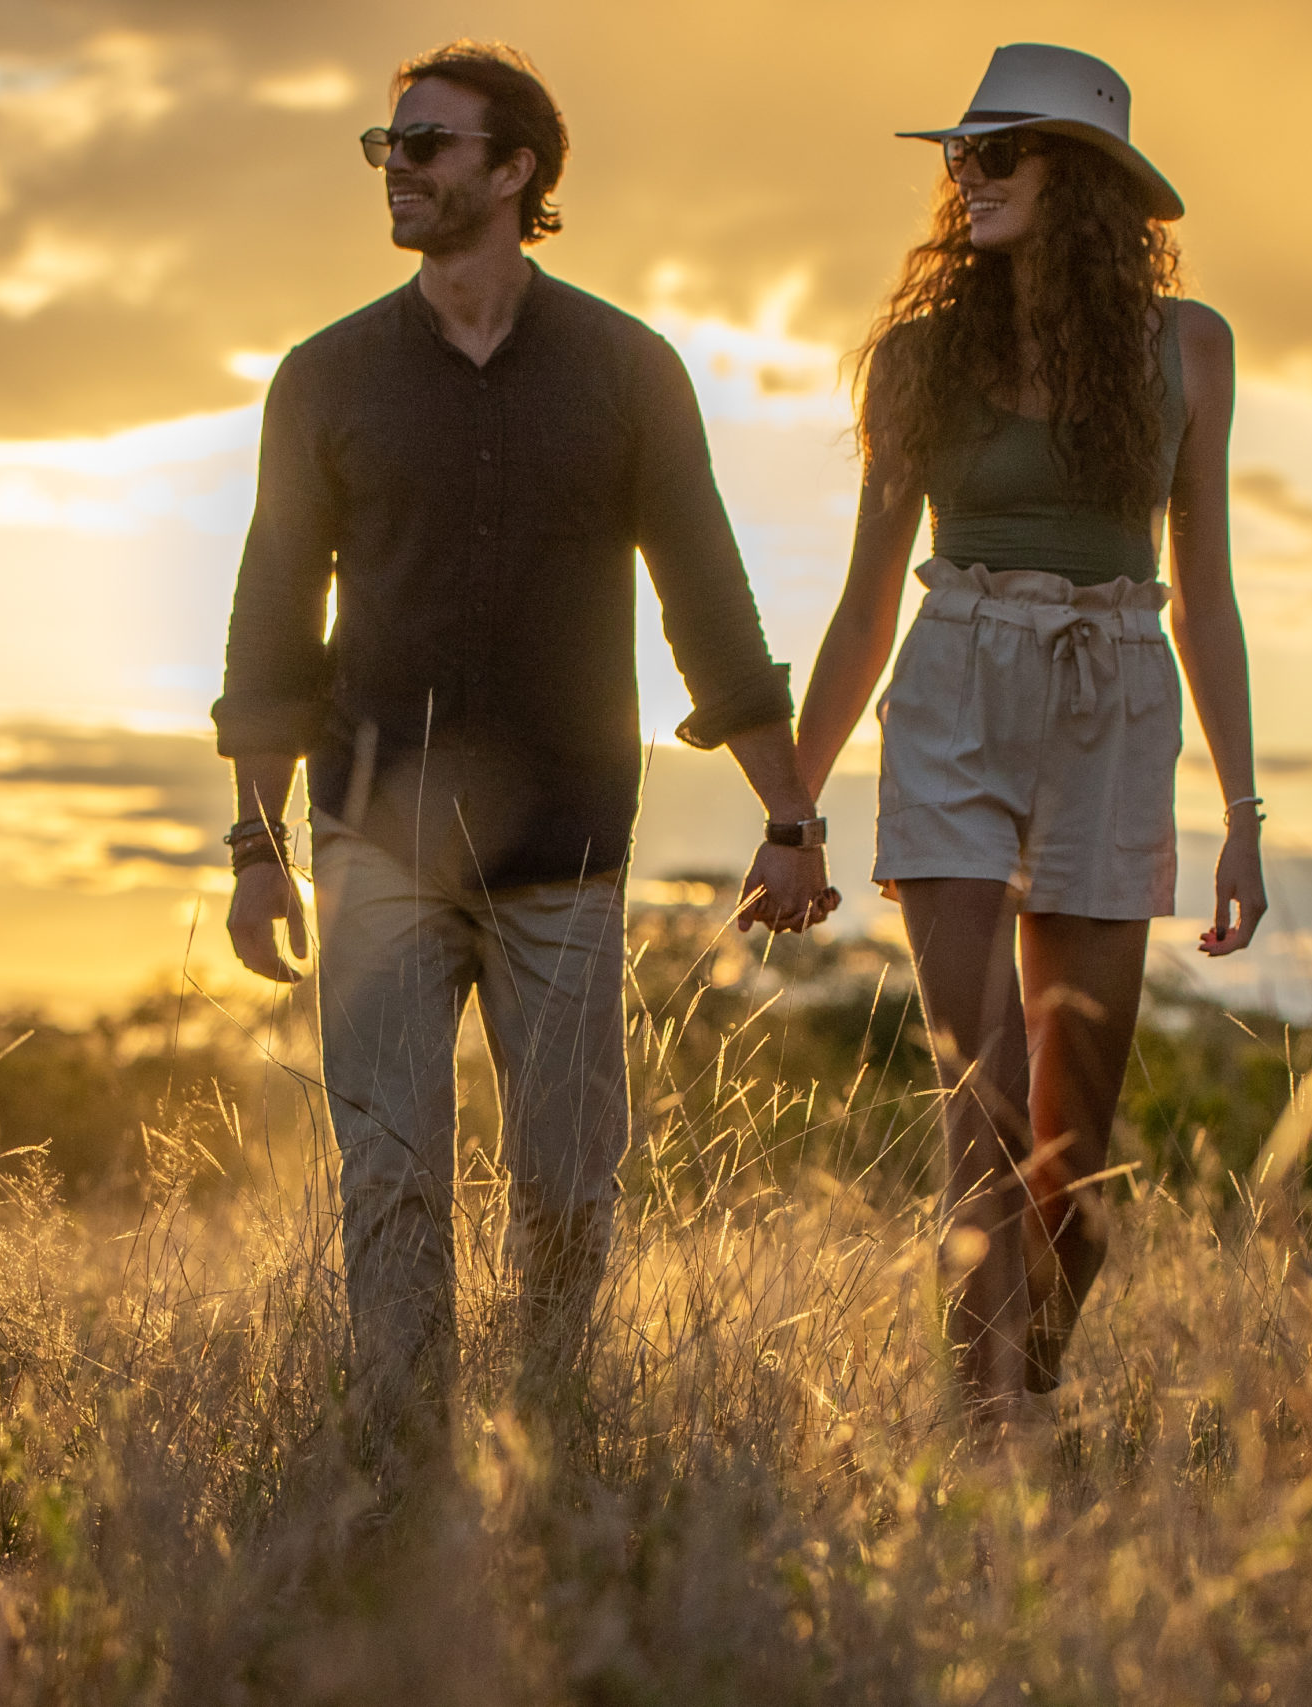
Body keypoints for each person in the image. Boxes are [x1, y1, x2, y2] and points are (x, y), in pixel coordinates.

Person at [213, 41, 832, 1468]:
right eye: (388, 147)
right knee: (394, 1176)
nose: (400, 170)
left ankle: (549, 1433)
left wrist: (788, 816)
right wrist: (256, 849)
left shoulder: (626, 372)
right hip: (375, 833)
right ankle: (403, 1453)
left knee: (565, 1182)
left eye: (428, 146)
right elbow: (268, 625)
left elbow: (709, 601)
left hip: (566, 847)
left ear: (515, 172)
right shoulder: (324, 378)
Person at [788, 44, 1267, 1419]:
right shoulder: (921, 359)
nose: (971, 177)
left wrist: (1241, 818)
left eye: (1002, 154)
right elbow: (866, 606)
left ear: (1088, 182)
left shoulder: (1189, 351)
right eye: (964, 157)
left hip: (1115, 695)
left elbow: (1208, 599)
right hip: (956, 684)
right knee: (983, 1107)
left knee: (1081, 1150)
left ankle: (1023, 1389)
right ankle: (987, 1438)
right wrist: (793, 809)